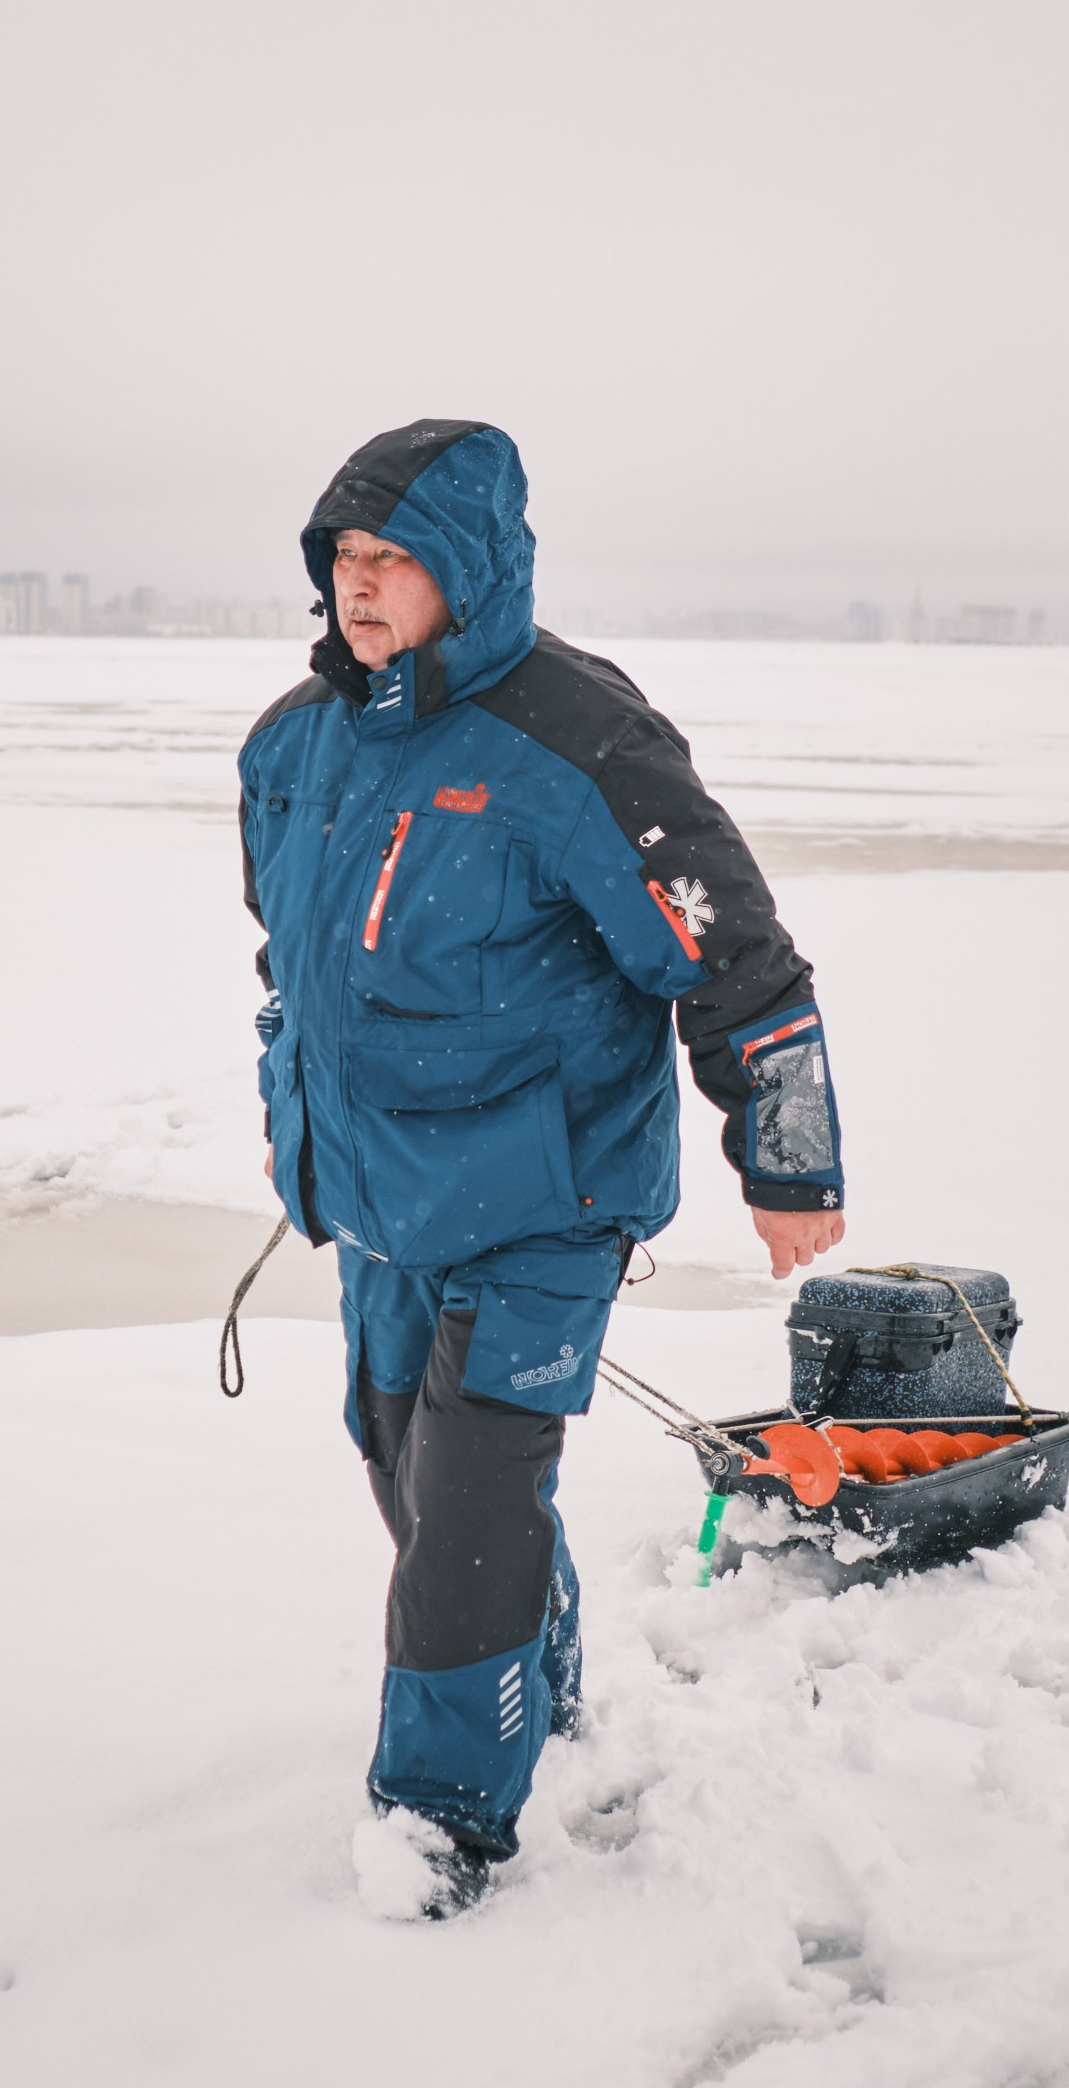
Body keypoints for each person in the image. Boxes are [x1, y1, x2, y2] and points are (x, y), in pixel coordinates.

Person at [238, 420, 846, 1916]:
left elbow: (738, 954)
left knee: (472, 1505)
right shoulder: (295, 745)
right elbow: (293, 957)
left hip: (548, 1193)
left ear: (476, 569)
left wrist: (788, 1160)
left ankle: (439, 1821)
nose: (360, 587)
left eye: (395, 560)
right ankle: (536, 1679)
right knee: (401, 1457)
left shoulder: (578, 741)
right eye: (344, 560)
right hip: (380, 1194)